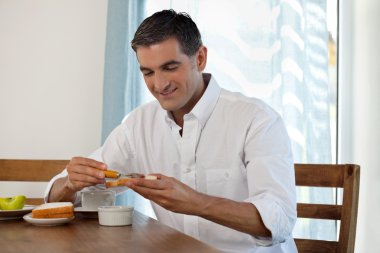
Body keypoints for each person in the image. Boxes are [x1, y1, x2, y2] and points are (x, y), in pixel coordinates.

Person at [45, 9, 297, 253]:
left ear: (199, 58)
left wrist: (195, 202)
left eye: (169, 67)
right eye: (148, 72)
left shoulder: (257, 120)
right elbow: (69, 196)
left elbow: (279, 219)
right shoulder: (138, 125)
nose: (159, 84)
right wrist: (70, 184)